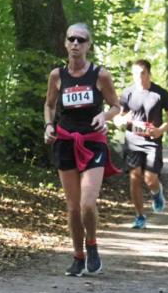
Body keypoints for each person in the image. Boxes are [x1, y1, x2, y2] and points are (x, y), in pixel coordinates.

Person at [44, 23, 121, 278]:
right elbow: (49, 105)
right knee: (73, 207)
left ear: (89, 45)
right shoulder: (57, 75)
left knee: (88, 204)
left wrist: (104, 116)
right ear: (65, 43)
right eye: (71, 39)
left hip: (93, 141)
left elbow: (115, 105)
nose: (76, 44)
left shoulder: (100, 75)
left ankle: (93, 245)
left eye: (81, 40)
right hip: (66, 142)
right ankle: (78, 255)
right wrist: (48, 125)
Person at [114, 59, 168, 229]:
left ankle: (157, 192)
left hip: (152, 142)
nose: (139, 77)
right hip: (133, 140)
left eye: (142, 73)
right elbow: (117, 117)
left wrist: (161, 130)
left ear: (149, 73)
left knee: (150, 179)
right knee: (134, 178)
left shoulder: (160, 93)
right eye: (135, 73)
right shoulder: (127, 93)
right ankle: (139, 216)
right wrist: (121, 120)